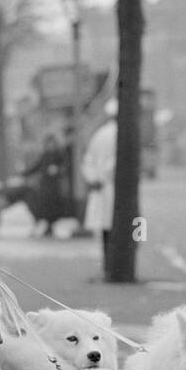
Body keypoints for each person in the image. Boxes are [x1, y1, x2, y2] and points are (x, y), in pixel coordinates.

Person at [81, 98, 118, 279]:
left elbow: (88, 161)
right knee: (115, 230)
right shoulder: (122, 135)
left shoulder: (99, 134)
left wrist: (93, 179)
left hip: (101, 189)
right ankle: (114, 269)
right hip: (112, 189)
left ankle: (107, 267)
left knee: (105, 230)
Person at [21, 133, 69, 237]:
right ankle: (47, 225)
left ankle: (50, 225)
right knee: (44, 205)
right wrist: (24, 173)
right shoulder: (45, 155)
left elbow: (66, 168)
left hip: (55, 186)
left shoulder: (59, 155)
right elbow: (36, 166)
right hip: (45, 185)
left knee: (54, 206)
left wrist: (58, 170)